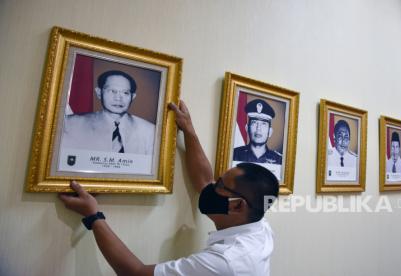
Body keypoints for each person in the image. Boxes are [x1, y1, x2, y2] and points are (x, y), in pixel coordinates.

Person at [59, 100, 280, 276]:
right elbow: (204, 181)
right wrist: (189, 131)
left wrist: (93, 216)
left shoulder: (226, 263)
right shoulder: (257, 224)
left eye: (221, 185)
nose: (213, 186)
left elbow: (134, 273)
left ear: (238, 205)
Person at [61, 70, 155, 155]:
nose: (118, 98)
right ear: (99, 93)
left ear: (133, 97)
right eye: (112, 91)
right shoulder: (73, 124)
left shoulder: (149, 131)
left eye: (125, 93)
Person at [233, 99, 282, 164]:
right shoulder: (234, 155)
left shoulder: (279, 160)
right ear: (247, 128)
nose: (258, 128)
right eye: (254, 123)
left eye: (263, 124)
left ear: (270, 132)